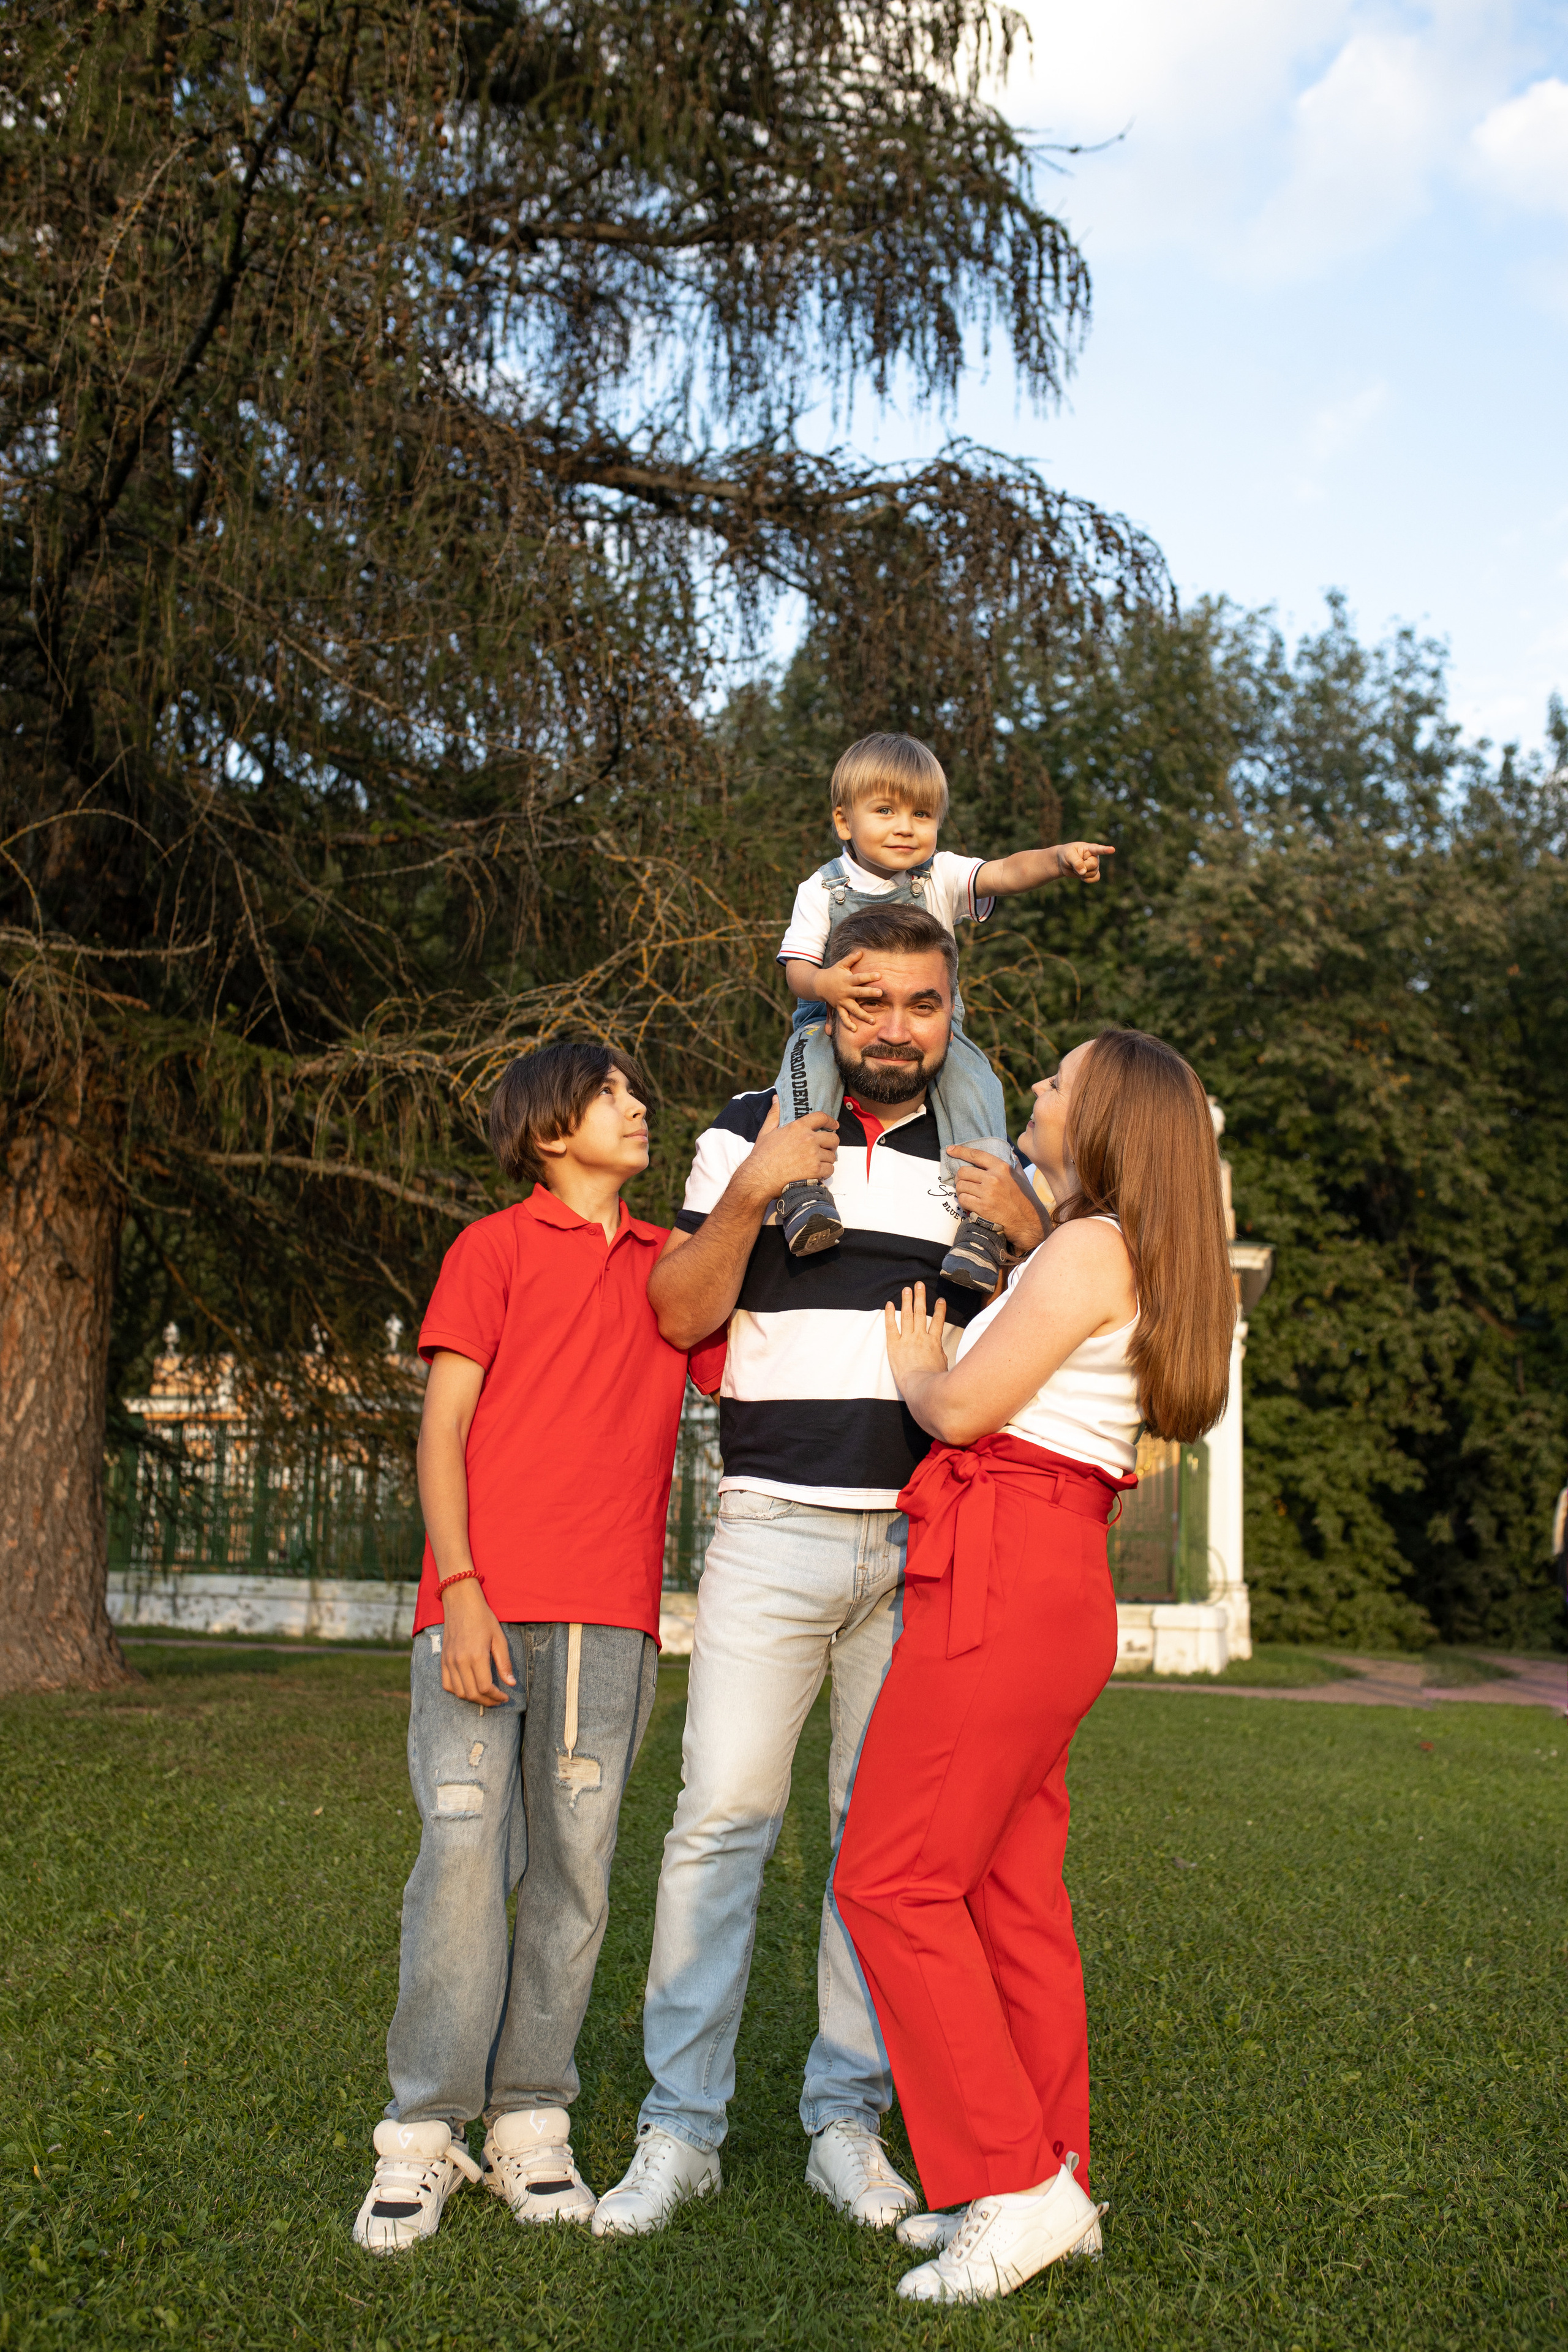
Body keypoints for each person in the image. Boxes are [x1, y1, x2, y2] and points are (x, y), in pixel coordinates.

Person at [588, 902, 1051, 2239]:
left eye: (919, 1002)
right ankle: (680, 2133)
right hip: (771, 1530)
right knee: (721, 1822)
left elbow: (1045, 1328)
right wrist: (744, 1191)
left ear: (949, 1008)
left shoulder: (985, 1153)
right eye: (867, 1002)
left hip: (927, 1544)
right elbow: (678, 1311)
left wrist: (1019, 1220)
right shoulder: (749, 1126)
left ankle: (842, 2122)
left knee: (875, 1846)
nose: (895, 1027)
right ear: (824, 1006)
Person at [834, 1028, 1237, 2304]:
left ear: (1106, 1117)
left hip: (1005, 1565)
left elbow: (957, 1412)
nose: (1040, 1093)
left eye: (1058, 1081)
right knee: (1006, 1894)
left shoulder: (1087, 1247)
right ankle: (1051, 2172)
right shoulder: (1112, 1248)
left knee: (891, 1879)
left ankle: (1012, 2186)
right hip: (1042, 1570)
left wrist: (917, 1363)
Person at [353, 1042, 720, 2253]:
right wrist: (459, 1591)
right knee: (461, 1860)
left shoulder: (674, 1268)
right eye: (616, 1090)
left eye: (636, 1085)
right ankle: (420, 2135)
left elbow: (735, 1362)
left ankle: (529, 2125)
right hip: (479, 1609)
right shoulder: (491, 1249)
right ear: (552, 1128)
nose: (639, 1100)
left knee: (573, 1876)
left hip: (607, 1620)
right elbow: (442, 1428)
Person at [772, 729, 1112, 1292]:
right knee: (807, 1066)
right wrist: (826, 984)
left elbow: (1004, 871)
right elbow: (796, 970)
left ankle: (980, 1223)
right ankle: (803, 1189)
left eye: (922, 813)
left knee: (978, 1087)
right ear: (844, 822)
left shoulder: (941, 876)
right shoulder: (822, 889)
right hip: (836, 1022)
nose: (905, 827)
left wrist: (1056, 859)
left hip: (935, 1035)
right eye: (885, 810)